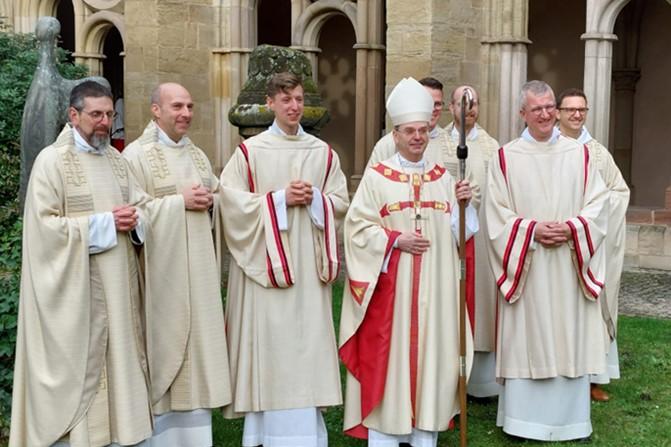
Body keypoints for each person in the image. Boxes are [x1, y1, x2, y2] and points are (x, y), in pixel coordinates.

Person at [10, 81, 153, 447]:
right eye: (96, 114)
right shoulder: (52, 162)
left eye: (109, 114)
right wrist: (105, 223)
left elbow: (141, 206)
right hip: (76, 300)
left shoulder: (117, 161)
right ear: (73, 116)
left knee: (119, 373)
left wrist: (137, 221)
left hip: (118, 296)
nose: (104, 122)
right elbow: (43, 230)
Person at [339, 77, 476, 446]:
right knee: (391, 362)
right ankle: (385, 433)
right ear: (395, 135)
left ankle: (423, 435)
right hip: (391, 297)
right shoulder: (376, 177)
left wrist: (464, 207)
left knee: (431, 361)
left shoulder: (443, 178)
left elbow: (461, 235)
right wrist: (395, 239)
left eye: (422, 131)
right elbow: (355, 229)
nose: (417, 137)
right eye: (409, 131)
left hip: (435, 292)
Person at [219, 72, 349, 447]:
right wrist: (277, 201)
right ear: (270, 104)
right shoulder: (250, 152)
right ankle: (265, 432)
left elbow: (340, 202)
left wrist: (316, 201)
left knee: (306, 344)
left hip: (307, 269)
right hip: (268, 269)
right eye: (285, 99)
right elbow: (231, 202)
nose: (293, 107)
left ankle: (306, 433)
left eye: (297, 99)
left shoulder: (323, 154)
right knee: (271, 347)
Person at [486, 80, 610, 441]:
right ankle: (523, 421)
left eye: (548, 107)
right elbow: (496, 214)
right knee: (529, 336)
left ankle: (570, 421)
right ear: (522, 113)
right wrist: (530, 231)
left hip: (568, 265)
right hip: (529, 265)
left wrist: (573, 228)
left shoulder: (580, 154)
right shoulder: (505, 157)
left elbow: (599, 205)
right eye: (535, 108)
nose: (544, 114)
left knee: (567, 334)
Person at [123, 82, 232, 446]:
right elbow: (132, 215)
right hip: (161, 281)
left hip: (199, 278)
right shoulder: (135, 157)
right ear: (156, 110)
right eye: (177, 106)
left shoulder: (197, 156)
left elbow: (217, 196)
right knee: (163, 356)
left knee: (196, 372)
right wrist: (177, 202)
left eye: (189, 105)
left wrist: (213, 201)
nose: (186, 113)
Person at [555, 88, 630, 402]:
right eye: (570, 109)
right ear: (558, 112)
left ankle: (592, 378)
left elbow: (619, 191)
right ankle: (556, 372)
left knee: (590, 307)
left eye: (581, 110)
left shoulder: (598, 153)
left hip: (591, 244)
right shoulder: (548, 149)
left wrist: (592, 217)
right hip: (558, 244)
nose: (576, 115)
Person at [444, 85, 501, 398]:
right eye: (462, 103)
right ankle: (448, 375)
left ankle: (481, 383)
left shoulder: (493, 148)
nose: (469, 108)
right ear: (451, 107)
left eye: (474, 103)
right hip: (447, 239)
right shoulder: (435, 144)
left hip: (482, 241)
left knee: (481, 301)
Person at [366, 77, 449, 168]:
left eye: (437, 104)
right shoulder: (387, 145)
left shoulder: (451, 145)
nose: (432, 109)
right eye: (427, 103)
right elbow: (372, 180)